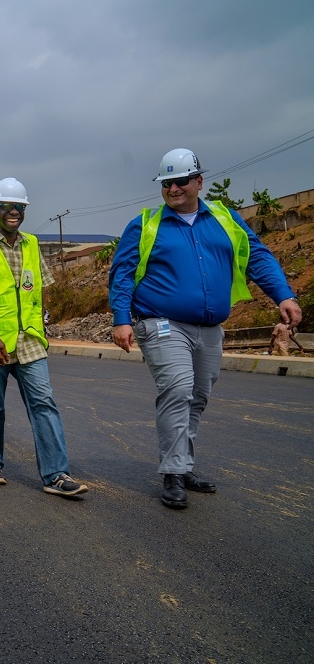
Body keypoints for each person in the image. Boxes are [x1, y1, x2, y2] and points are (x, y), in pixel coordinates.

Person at [110, 148, 302, 509]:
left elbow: (257, 256)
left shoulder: (225, 218)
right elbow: (121, 273)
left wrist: (284, 296)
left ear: (199, 181)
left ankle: (183, 466)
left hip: (210, 328)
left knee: (197, 397)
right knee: (178, 389)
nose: (174, 189)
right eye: (167, 183)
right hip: (161, 323)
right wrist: (121, 318)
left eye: (181, 181)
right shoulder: (146, 224)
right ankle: (172, 473)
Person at [0, 177, 88, 498]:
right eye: (7, 206)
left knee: (44, 403)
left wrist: (41, 325)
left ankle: (56, 474)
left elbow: (39, 288)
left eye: (20, 207)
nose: (14, 211)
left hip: (28, 341)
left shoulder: (31, 244)